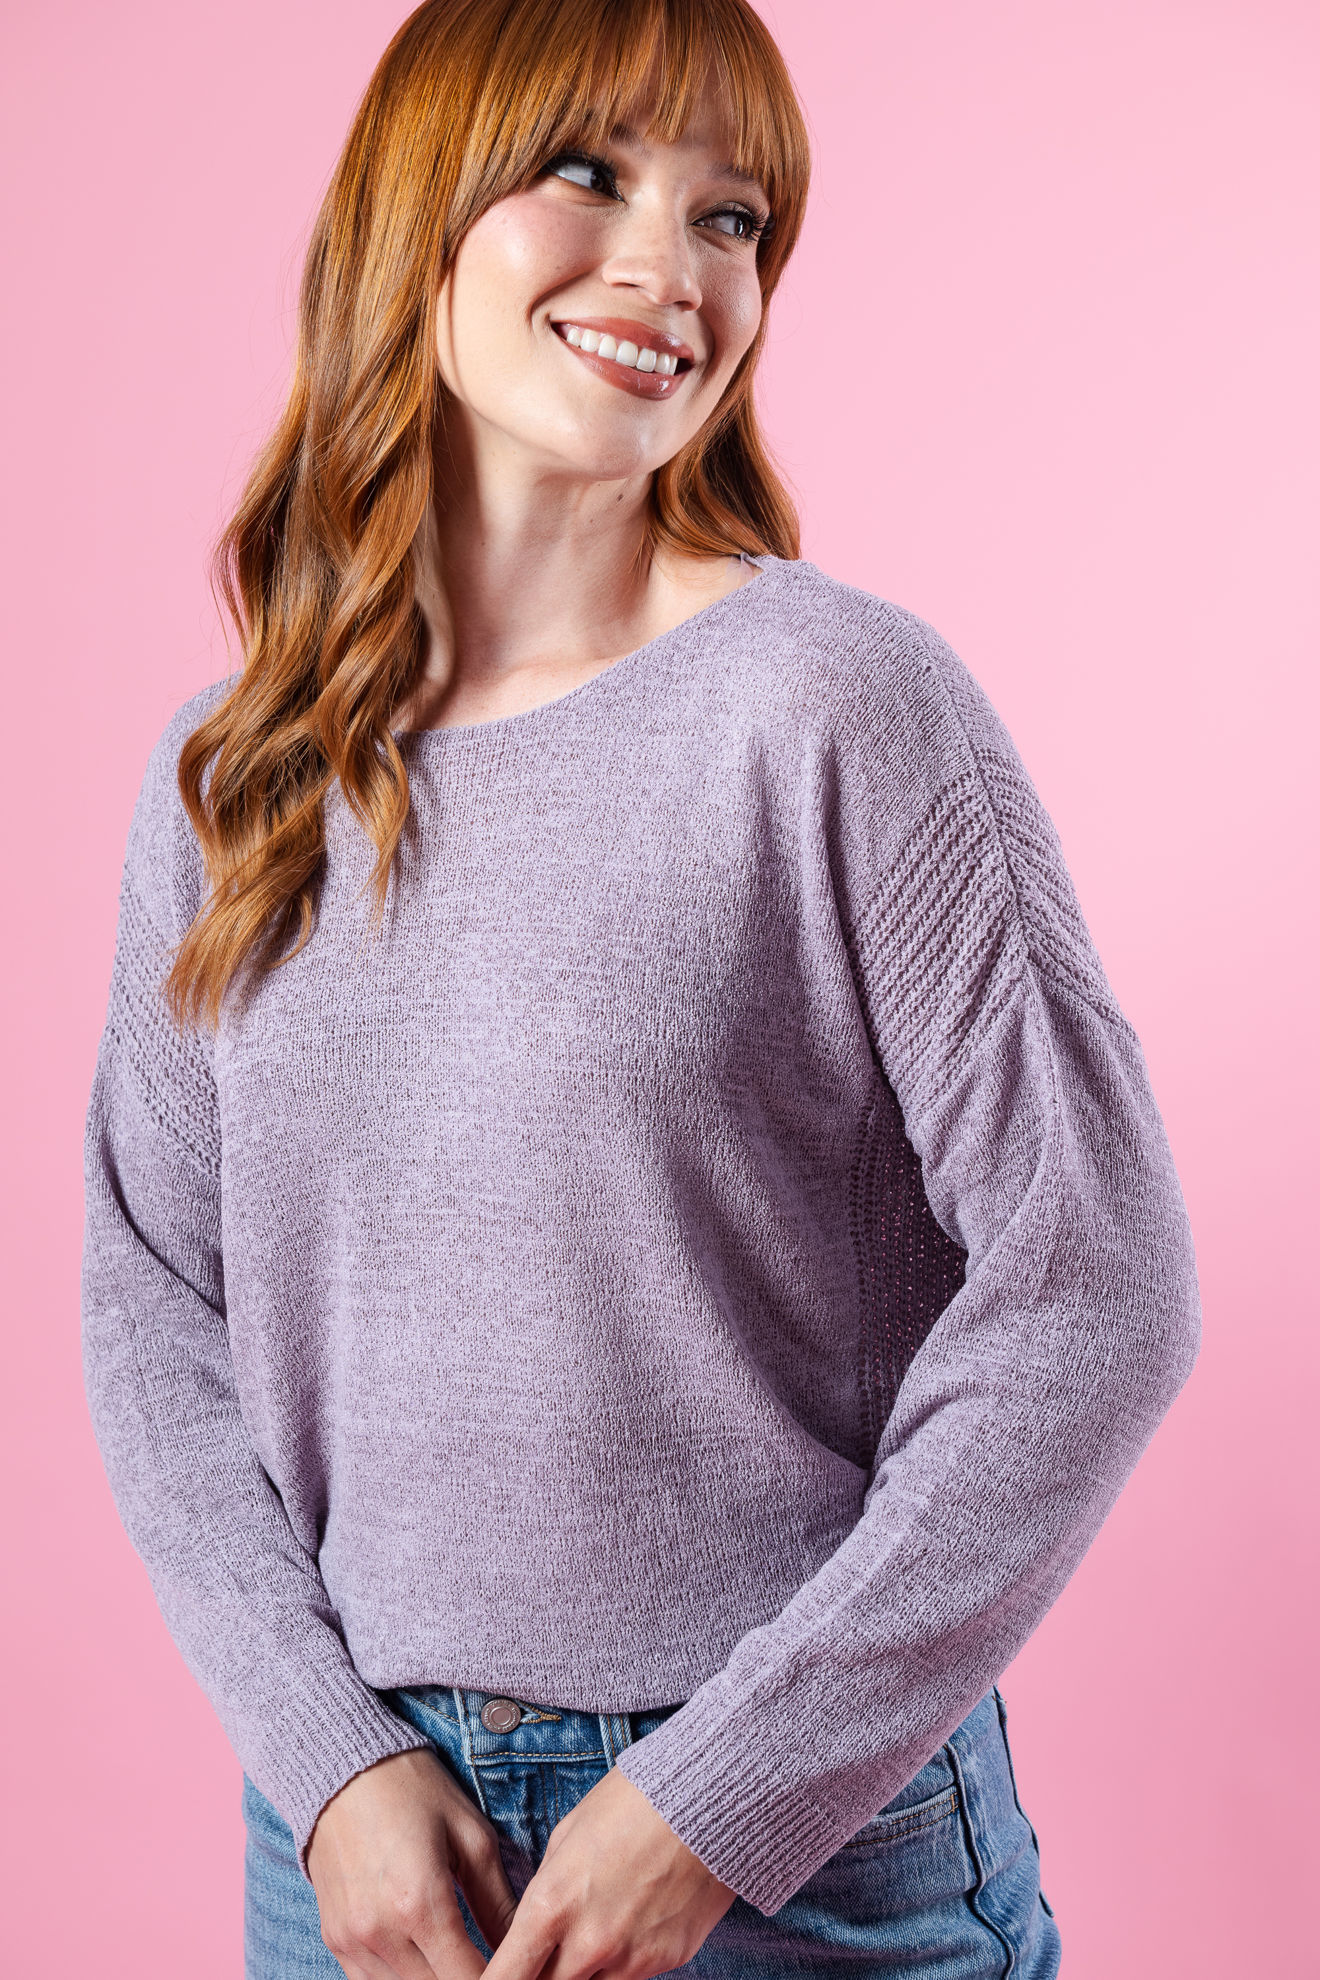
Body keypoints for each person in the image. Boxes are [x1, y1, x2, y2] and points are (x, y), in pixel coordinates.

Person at [80, 1, 1201, 1975]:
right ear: (417, 210)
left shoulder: (839, 707)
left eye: (732, 217)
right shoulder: (234, 772)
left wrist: (723, 1793)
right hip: (363, 1844)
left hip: (798, 1849)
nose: (671, 270)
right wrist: (327, 1762)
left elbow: (1096, 1285)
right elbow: (153, 1304)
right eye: (587, 174)